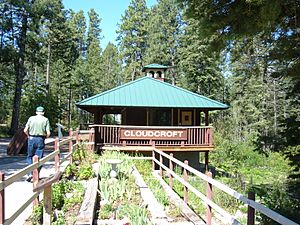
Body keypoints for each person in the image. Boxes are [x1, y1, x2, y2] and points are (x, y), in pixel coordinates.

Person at [24, 106, 51, 181]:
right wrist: (45, 137)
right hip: (40, 139)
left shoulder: (31, 118)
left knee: (30, 156)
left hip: (31, 138)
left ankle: (30, 174)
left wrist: (28, 136)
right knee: (39, 158)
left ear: (36, 112)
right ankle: (36, 174)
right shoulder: (45, 120)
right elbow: (48, 133)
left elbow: (25, 130)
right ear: (43, 112)